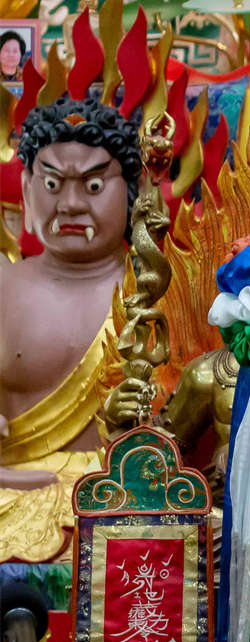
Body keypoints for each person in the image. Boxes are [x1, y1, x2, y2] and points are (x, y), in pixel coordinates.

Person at [0, 97, 141, 561]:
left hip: (127, 498)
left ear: (132, 192)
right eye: (52, 183)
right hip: (13, 489)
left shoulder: (159, 291)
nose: (72, 204)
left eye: (94, 185)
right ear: (26, 188)